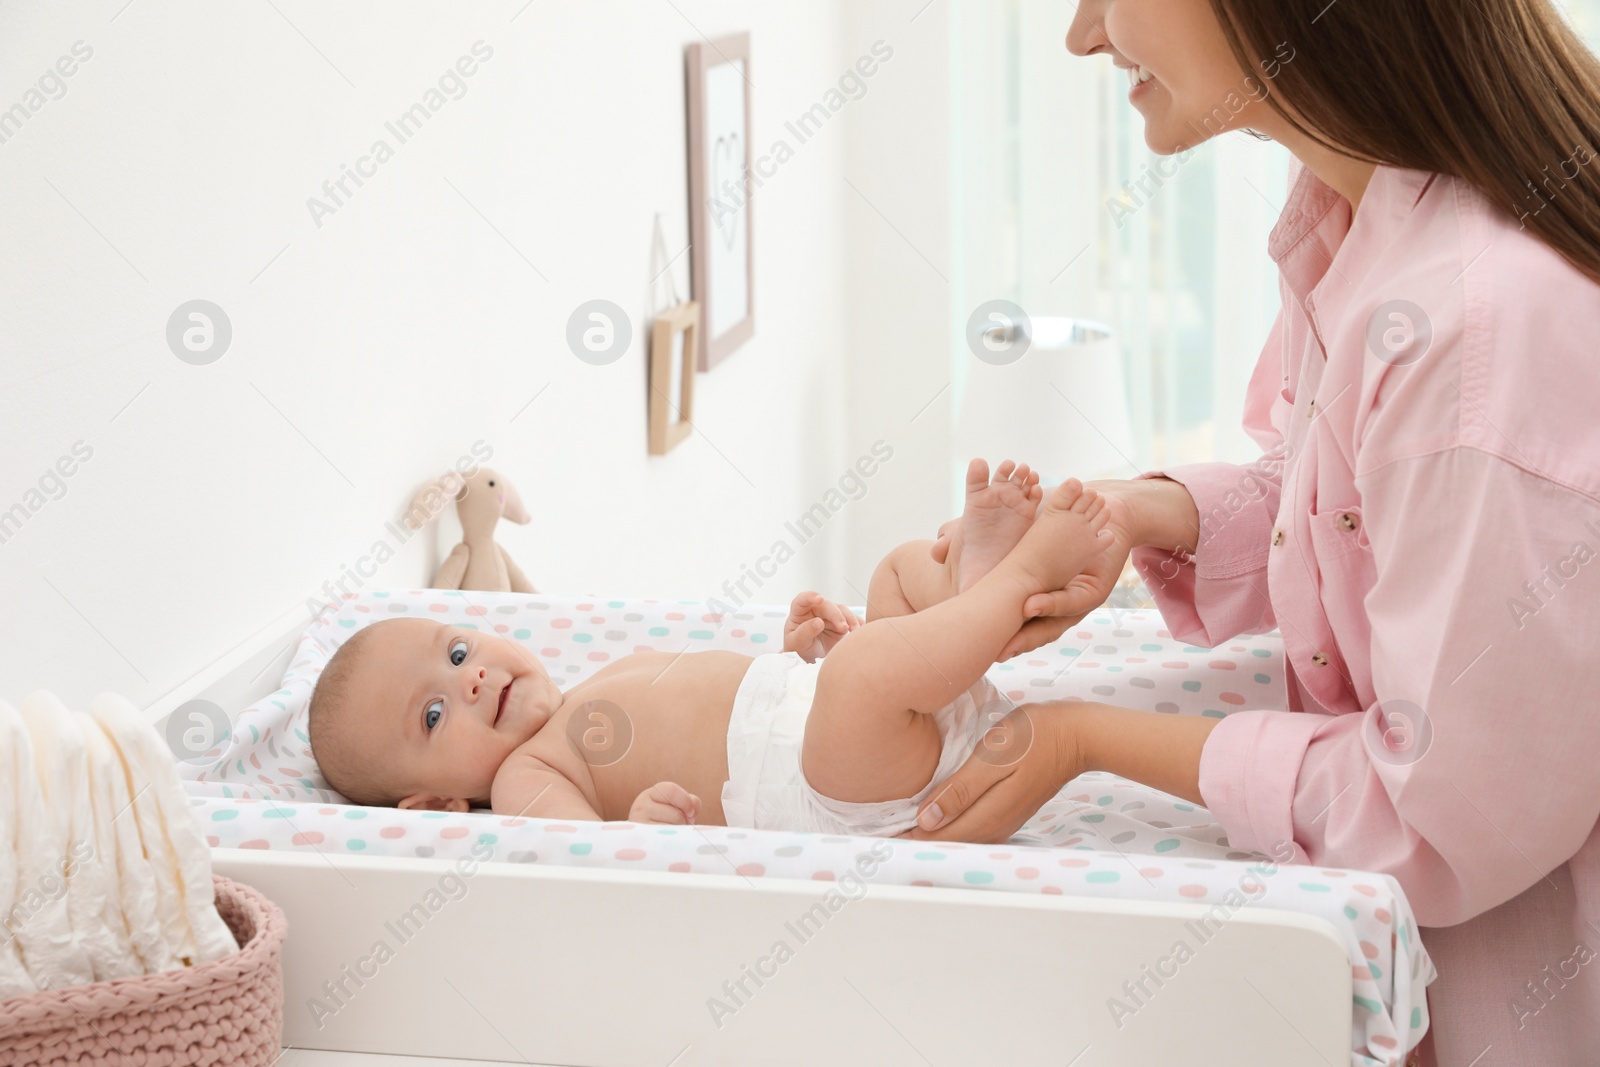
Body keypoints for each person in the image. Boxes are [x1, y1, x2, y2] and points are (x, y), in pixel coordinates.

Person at [909, 2, 1600, 1064]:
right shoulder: (1362, 208)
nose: (1083, 34)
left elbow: (1443, 819)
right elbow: (1352, 491)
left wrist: (1085, 740)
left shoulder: (1473, 326)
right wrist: (1144, 509)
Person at [307, 465, 1110, 837]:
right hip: (832, 793)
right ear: (437, 804)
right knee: (865, 679)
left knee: (891, 574)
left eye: (455, 652)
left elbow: (726, 703)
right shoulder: (527, 777)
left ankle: (970, 593)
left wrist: (809, 652)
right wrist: (643, 832)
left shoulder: (590, 685)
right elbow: (584, 864)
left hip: (842, 724)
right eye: (436, 712)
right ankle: (1021, 580)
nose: (474, 678)